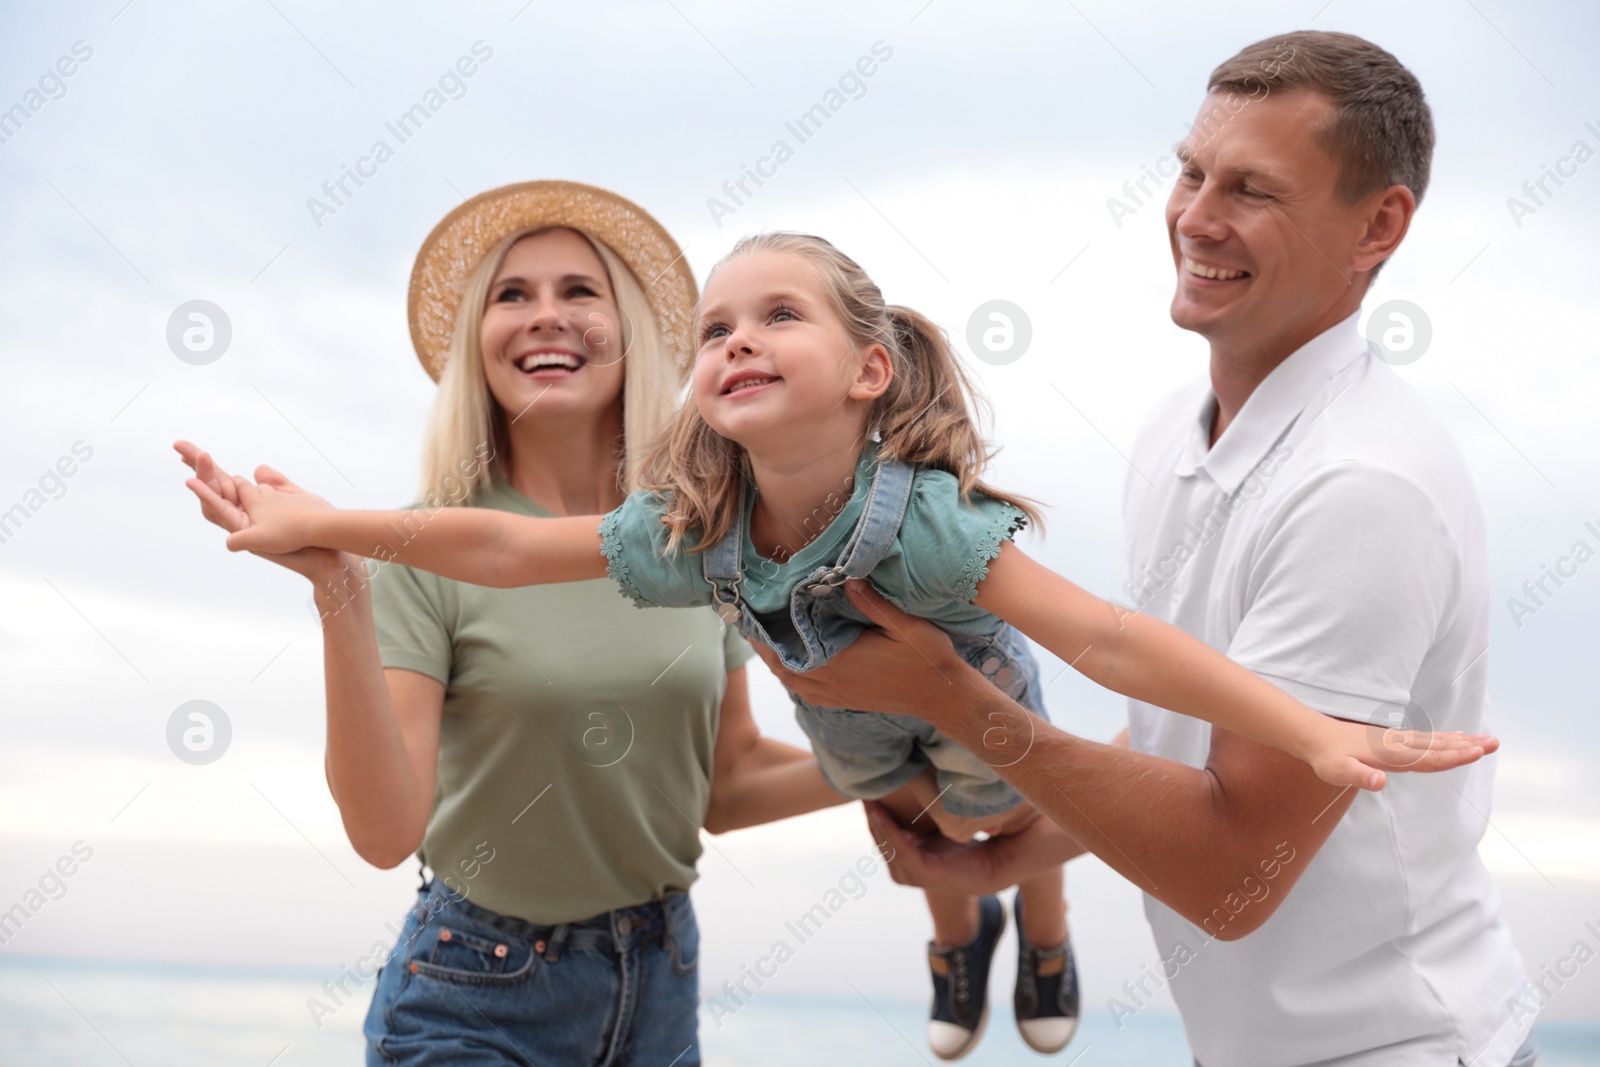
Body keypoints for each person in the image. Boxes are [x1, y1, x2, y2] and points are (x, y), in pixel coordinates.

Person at [214, 230, 1489, 1060]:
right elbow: (495, 550)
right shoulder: (692, 536)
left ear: (872, 370)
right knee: (915, 815)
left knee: (995, 803)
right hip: (818, 764)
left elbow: (1111, 641)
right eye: (716, 329)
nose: (737, 341)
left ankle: (1032, 934)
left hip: (964, 721)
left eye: (776, 317)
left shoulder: (928, 527)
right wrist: (325, 528)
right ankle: (960, 940)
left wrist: (1309, 727)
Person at [755, 31, 1538, 1067]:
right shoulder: (1180, 426)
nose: (1195, 217)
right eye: (1189, 170)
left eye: (1252, 189)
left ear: (1377, 224)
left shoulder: (1361, 485)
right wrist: (1007, 860)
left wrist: (954, 702)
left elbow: (1228, 877)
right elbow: (1177, 741)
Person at [178, 180, 847, 1067]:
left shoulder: (696, 541)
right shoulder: (423, 547)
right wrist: (341, 590)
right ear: (479, 344)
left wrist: (898, 758)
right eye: (511, 295)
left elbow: (726, 782)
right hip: (475, 998)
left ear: (630, 331)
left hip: (662, 986)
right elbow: (384, 834)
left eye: (579, 291)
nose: (545, 316)